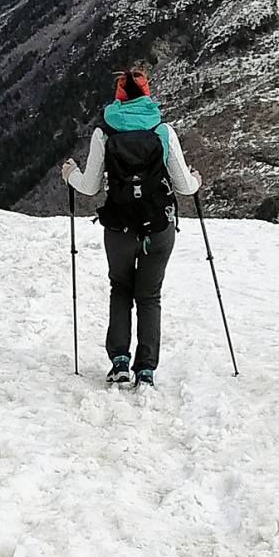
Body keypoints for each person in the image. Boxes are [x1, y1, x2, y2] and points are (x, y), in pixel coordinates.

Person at [61, 67, 202, 389]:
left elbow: (89, 186)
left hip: (119, 227)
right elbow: (184, 186)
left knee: (121, 289)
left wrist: (70, 173)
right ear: (148, 95)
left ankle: (120, 361)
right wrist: (196, 180)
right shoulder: (163, 131)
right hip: (158, 225)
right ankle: (147, 369)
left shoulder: (104, 133)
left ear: (118, 98)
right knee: (149, 296)